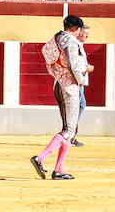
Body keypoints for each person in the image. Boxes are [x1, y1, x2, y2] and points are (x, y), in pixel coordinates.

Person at [31, 15, 90, 181]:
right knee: (69, 130)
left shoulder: (56, 39)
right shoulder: (71, 42)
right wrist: (81, 77)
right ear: (75, 29)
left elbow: (47, 55)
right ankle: (41, 158)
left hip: (59, 83)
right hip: (69, 86)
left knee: (68, 128)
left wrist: (58, 72)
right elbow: (72, 64)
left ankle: (59, 169)